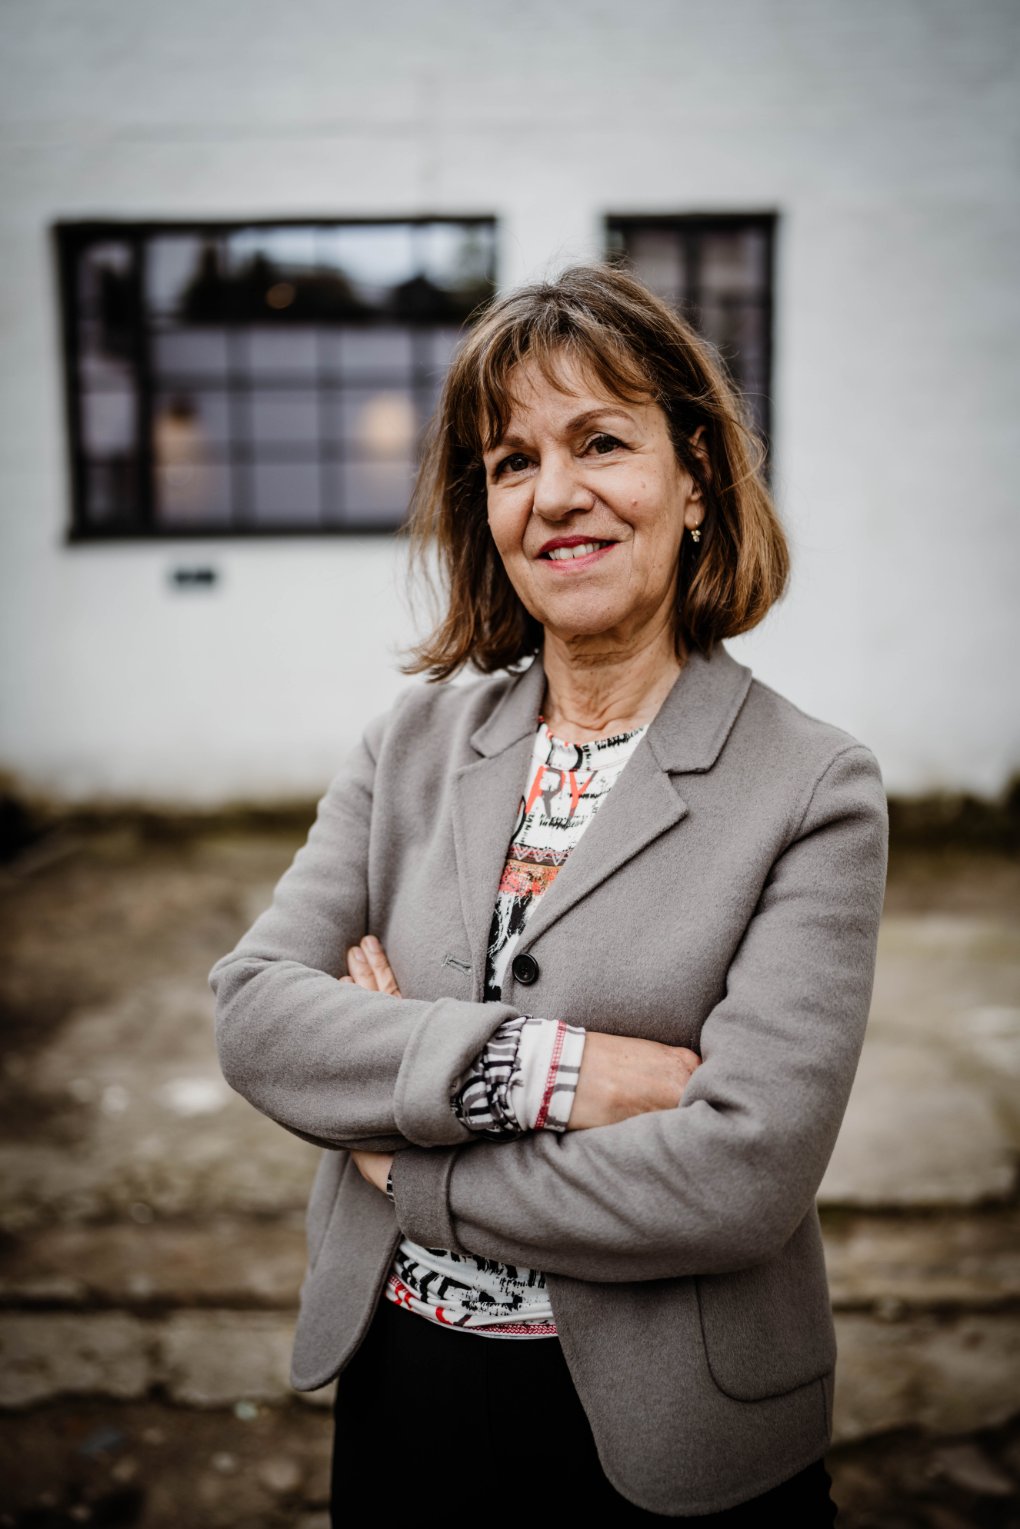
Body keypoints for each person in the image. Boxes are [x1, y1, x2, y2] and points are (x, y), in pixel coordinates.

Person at [209, 264, 888, 1523]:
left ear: (696, 477)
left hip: (673, 1431)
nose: (556, 493)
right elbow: (256, 1016)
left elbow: (740, 1175)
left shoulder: (814, 786)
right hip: (403, 1384)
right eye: (512, 461)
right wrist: (553, 1073)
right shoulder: (409, 745)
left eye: (601, 442)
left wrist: (401, 1147)